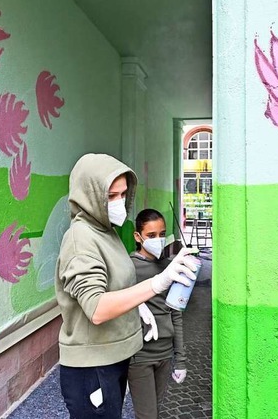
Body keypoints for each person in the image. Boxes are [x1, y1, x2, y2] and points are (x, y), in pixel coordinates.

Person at [55, 153, 199, 419]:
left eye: (123, 194)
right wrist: (158, 283)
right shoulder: (80, 239)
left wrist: (137, 305)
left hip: (114, 358)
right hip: (92, 366)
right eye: (110, 196)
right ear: (89, 194)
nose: (119, 202)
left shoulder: (106, 232)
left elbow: (114, 283)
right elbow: (96, 307)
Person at [128, 209, 188, 419]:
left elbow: (176, 314)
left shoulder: (169, 267)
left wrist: (180, 359)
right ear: (138, 237)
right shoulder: (128, 268)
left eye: (162, 234)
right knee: (147, 415)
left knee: (156, 410)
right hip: (140, 356)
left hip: (165, 354)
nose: (158, 240)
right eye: (151, 236)